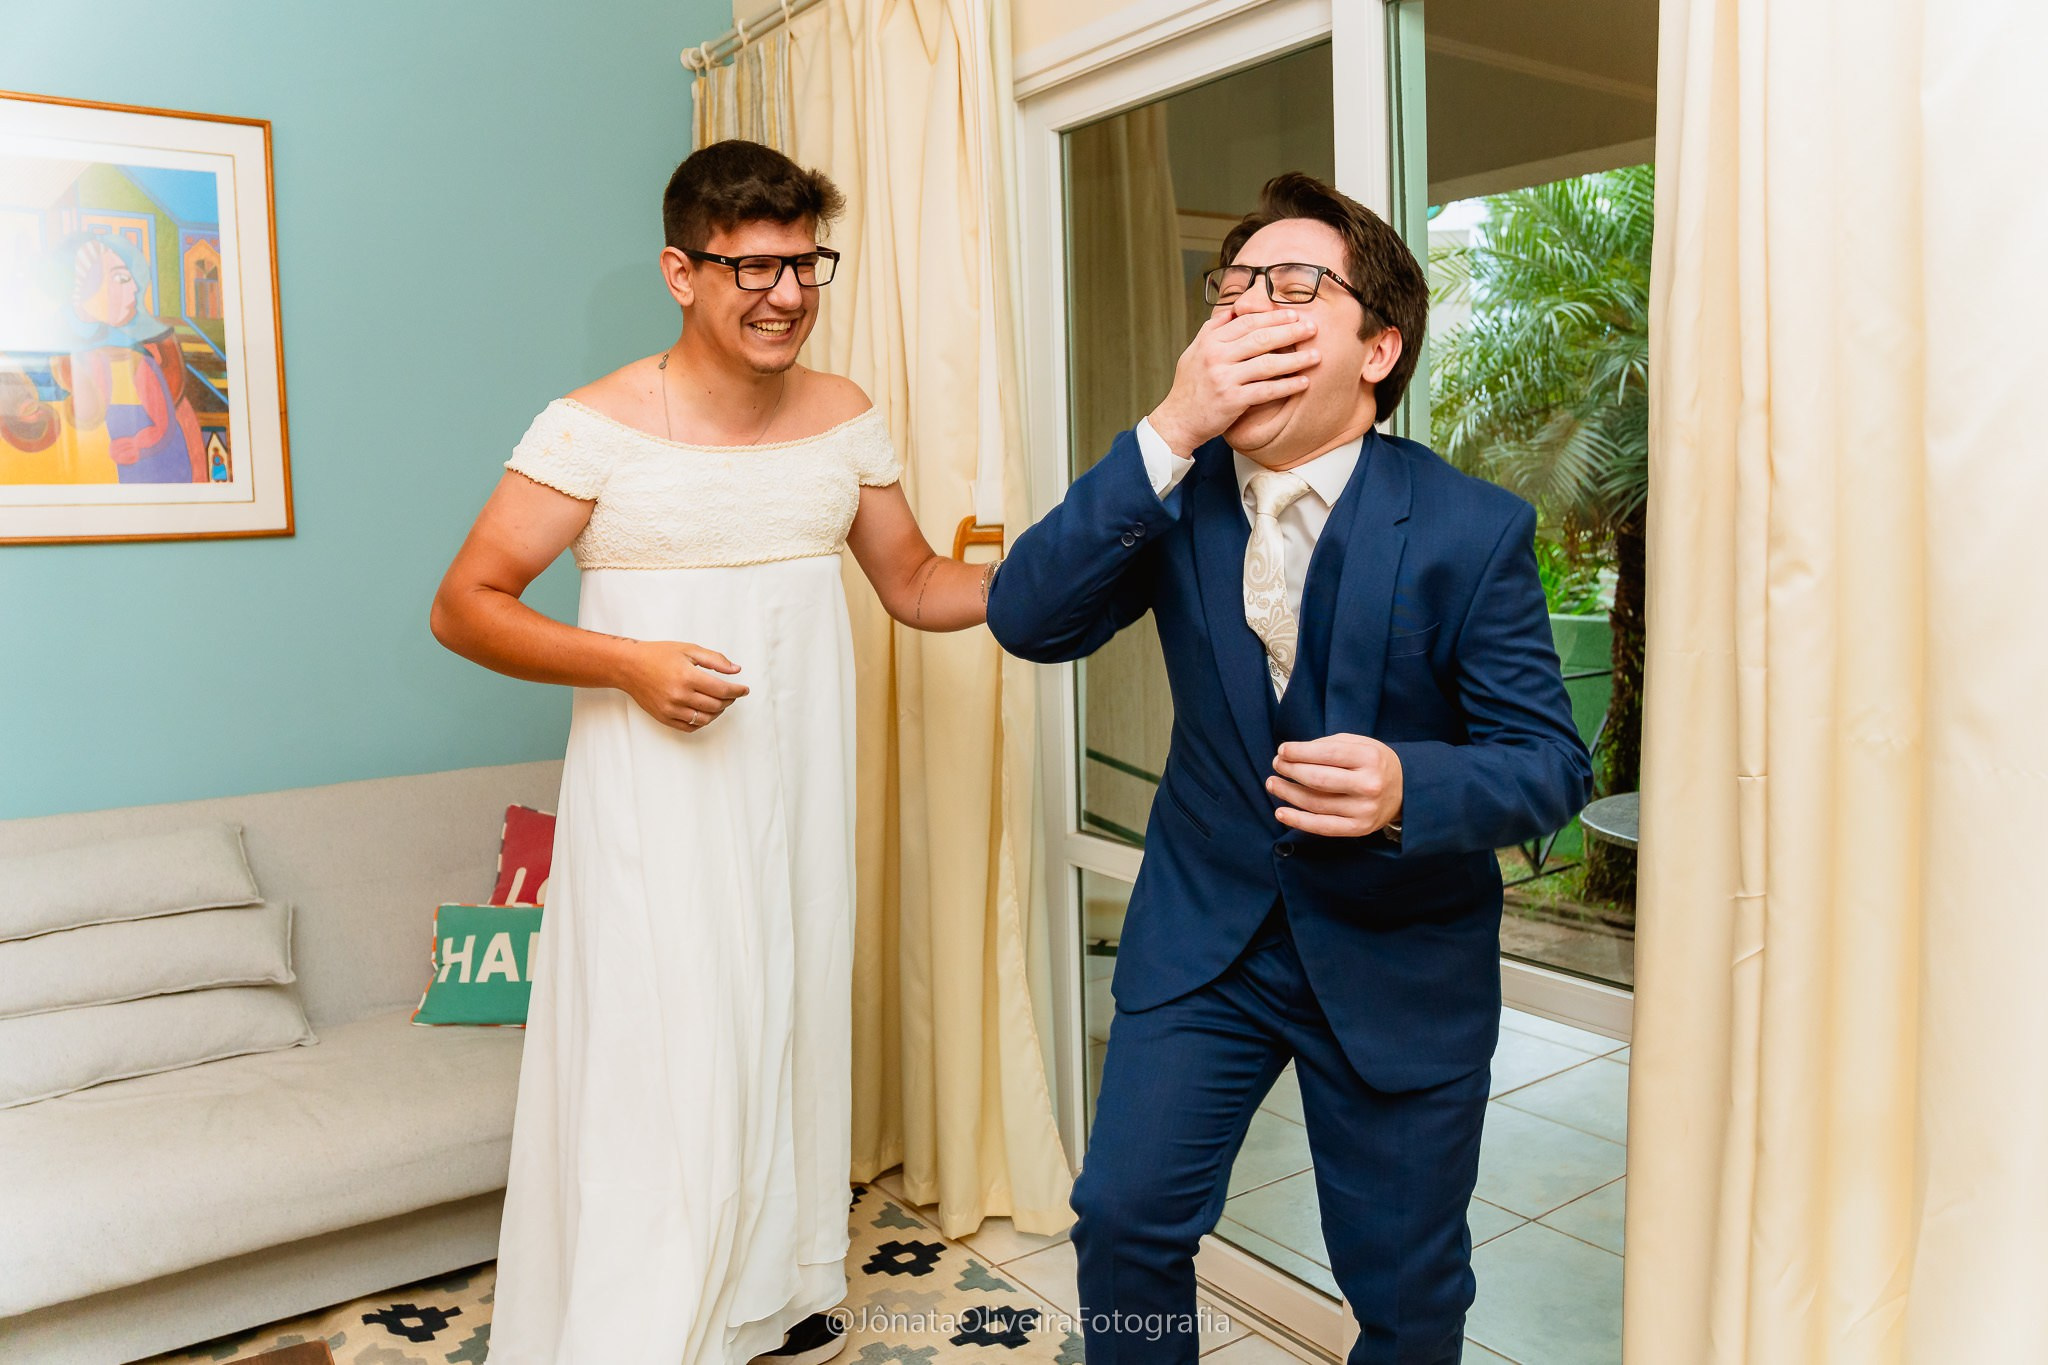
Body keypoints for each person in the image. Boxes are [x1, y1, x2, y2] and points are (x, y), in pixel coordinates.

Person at [985, 172, 1593, 1364]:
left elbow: (1548, 763)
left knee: (1405, 1294)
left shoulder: (1470, 529)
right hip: (1205, 936)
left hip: (1395, 957)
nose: (1250, 306)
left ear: (1376, 346)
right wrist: (1165, 429)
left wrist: (1410, 789)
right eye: (1233, 287)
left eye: (1294, 285)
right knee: (1121, 1222)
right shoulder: (1169, 494)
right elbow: (1024, 616)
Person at [430, 139, 990, 1365]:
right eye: (751, 269)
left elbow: (914, 583)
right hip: (654, 796)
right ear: (682, 272)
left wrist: (1050, 576)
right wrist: (627, 665)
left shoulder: (843, 417)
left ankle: (769, 1294)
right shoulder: (592, 427)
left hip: (797, 794)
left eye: (804, 265)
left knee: (780, 1017)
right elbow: (465, 602)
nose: (784, 295)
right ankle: (640, 1320)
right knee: (661, 1038)